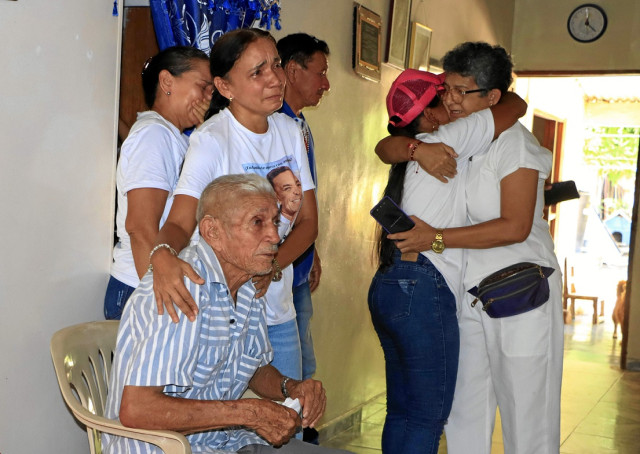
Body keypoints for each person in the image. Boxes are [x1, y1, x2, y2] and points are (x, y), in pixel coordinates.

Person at [387, 42, 563, 454]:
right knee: (465, 413)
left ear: (492, 97)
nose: (448, 98)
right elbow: (388, 145)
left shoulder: (515, 145)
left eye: (458, 90)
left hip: (519, 292)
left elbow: (515, 226)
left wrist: (434, 238)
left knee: (527, 417)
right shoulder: (460, 139)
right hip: (467, 295)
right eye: (445, 88)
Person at [103, 174, 353, 454]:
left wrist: (291, 387)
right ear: (212, 232)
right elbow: (137, 410)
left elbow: (253, 368)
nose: (274, 236)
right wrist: (247, 414)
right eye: (257, 222)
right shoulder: (180, 287)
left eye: (275, 222)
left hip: (224, 444)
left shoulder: (248, 283)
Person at [370, 69, 527, 454]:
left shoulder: (413, 151)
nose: (455, 102)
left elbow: (382, 146)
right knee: (426, 417)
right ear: (433, 114)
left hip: (389, 283)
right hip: (424, 288)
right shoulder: (450, 138)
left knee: (401, 412)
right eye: (447, 96)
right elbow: (516, 104)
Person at [148, 28, 318, 384]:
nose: (275, 79)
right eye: (257, 72)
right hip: (221, 316)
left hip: (277, 312)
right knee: (224, 423)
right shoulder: (211, 140)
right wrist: (163, 254)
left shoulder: (290, 130)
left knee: (289, 418)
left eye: (276, 65)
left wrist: (272, 267)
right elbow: (180, 222)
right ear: (225, 87)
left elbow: (308, 222)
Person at [104, 46, 212, 320]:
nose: (208, 97)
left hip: (156, 285)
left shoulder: (175, 138)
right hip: (143, 288)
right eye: (203, 86)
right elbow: (140, 228)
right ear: (167, 82)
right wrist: (156, 297)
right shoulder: (155, 135)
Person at [275, 33, 331, 389]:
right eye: (320, 72)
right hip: (276, 271)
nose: (326, 84)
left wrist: (311, 252)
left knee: (304, 369)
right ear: (293, 71)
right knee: (293, 377)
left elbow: (302, 205)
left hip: (296, 266)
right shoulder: (274, 124)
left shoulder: (298, 124)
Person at [267, 166, 303, 240]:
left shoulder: (306, 222)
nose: (297, 192)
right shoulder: (272, 233)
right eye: (287, 188)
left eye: (298, 184)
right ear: (276, 197)